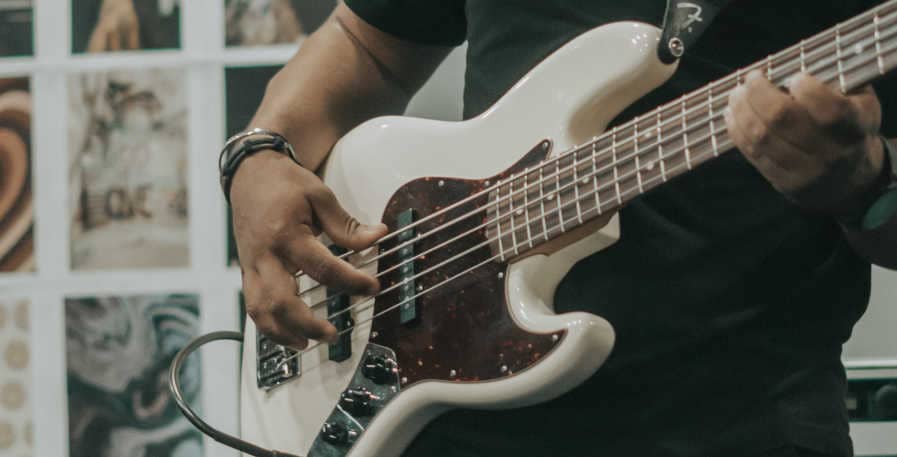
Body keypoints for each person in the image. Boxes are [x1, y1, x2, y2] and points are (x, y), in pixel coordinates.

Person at [226, 1, 897, 456]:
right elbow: (366, 44)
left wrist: (864, 186)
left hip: (736, 424)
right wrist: (259, 152)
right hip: (448, 420)